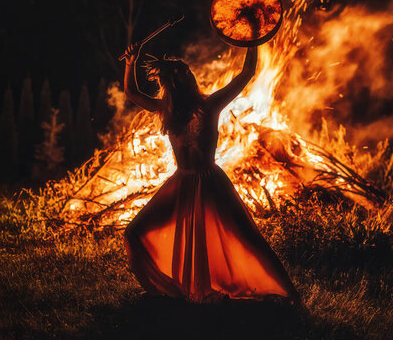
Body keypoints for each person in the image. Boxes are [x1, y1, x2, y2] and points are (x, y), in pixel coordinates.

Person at [122, 42, 298, 302]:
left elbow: (246, 73)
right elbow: (131, 92)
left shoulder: (211, 104)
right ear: (173, 81)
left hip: (211, 182)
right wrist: (130, 63)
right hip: (181, 183)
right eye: (184, 71)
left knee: (246, 236)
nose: (190, 73)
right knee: (134, 231)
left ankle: (284, 291)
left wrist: (251, 42)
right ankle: (168, 289)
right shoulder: (165, 109)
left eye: (188, 70)